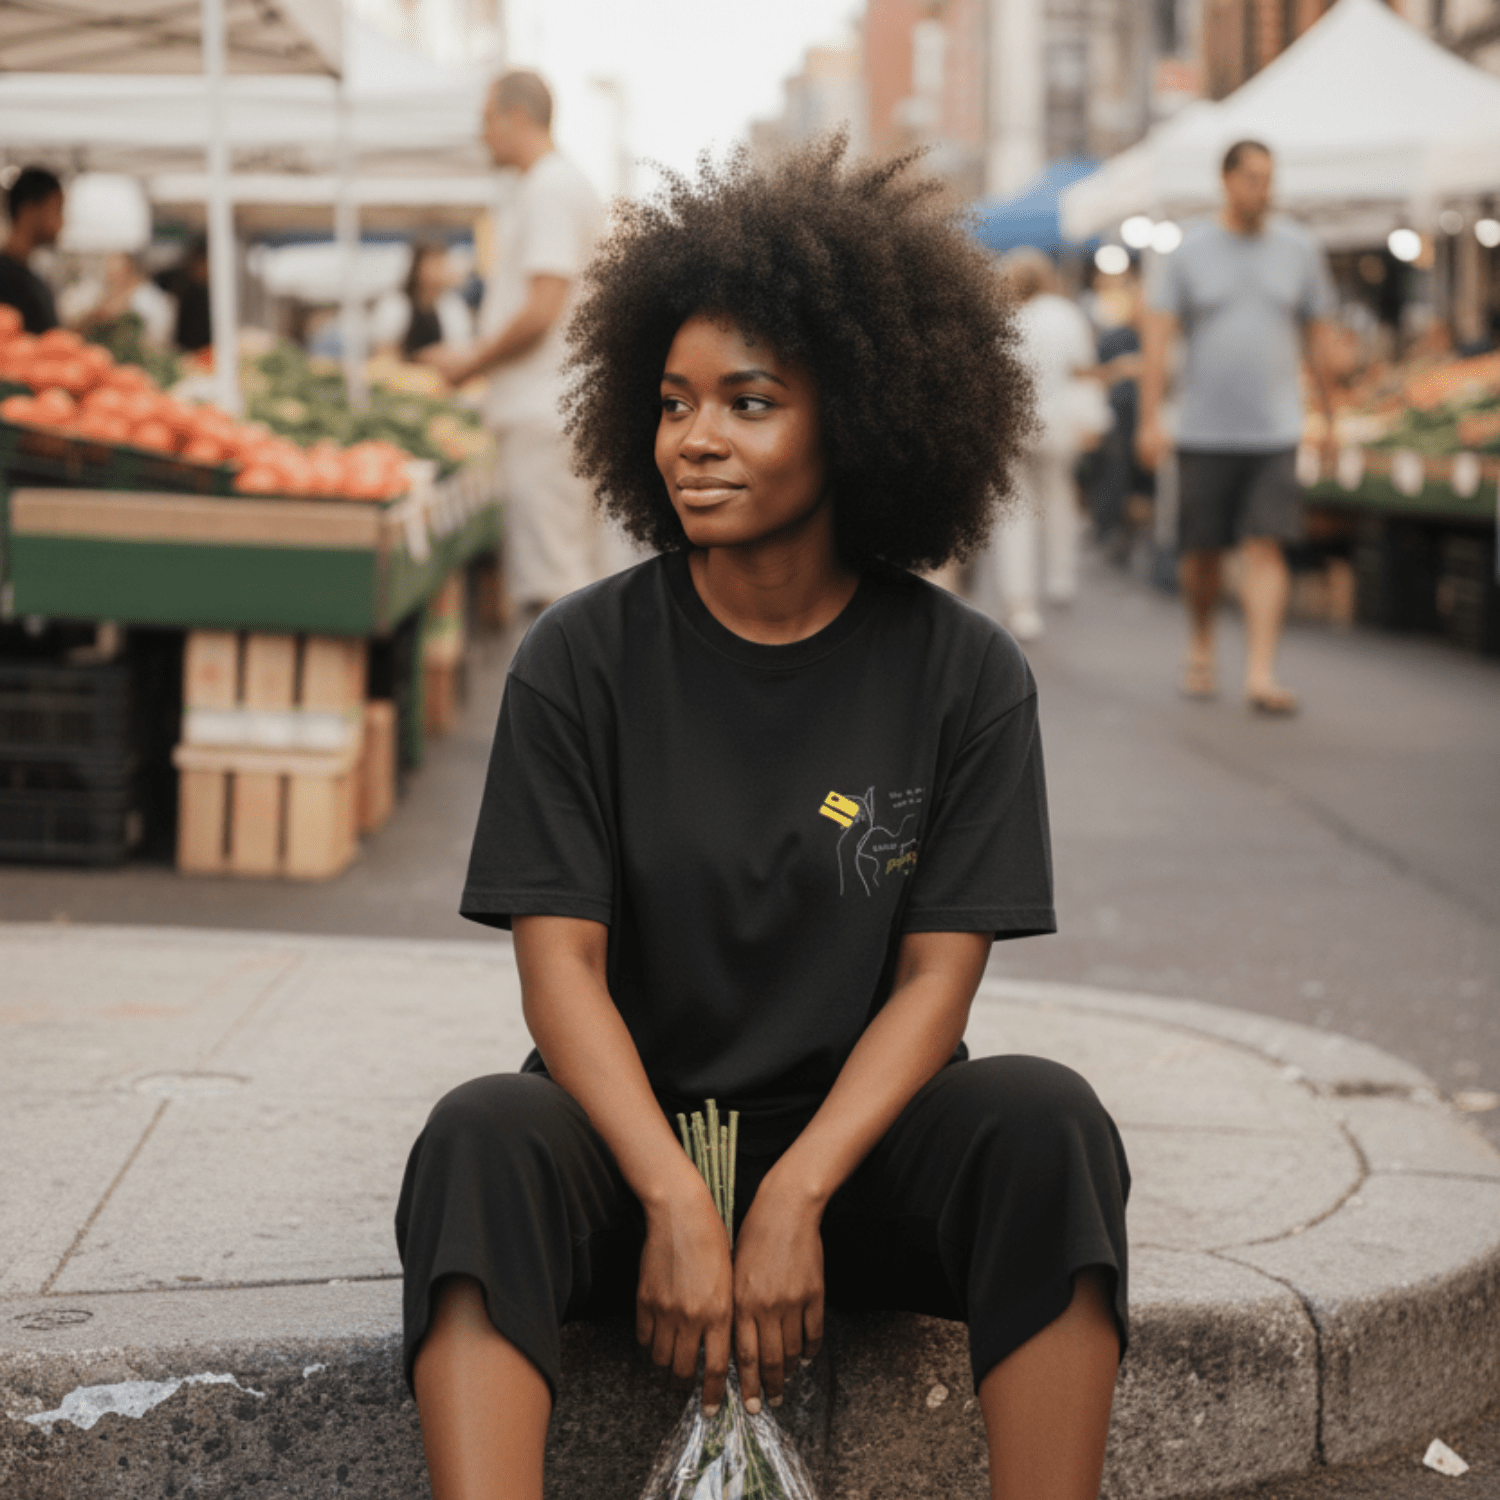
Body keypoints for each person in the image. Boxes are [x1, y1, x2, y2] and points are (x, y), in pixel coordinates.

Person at [395, 137, 1129, 1500]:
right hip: (626, 1164)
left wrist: (793, 1199)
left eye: (748, 401)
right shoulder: (580, 658)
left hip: (863, 1165)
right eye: (674, 403)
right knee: (477, 1137)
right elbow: (558, 971)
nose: (697, 439)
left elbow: (936, 980)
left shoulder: (964, 672)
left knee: (1049, 1123)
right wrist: (678, 1197)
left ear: (857, 413)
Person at [1137, 140, 1338, 714]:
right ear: (1226, 181)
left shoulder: (1300, 249)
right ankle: (1201, 643)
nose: (1263, 190)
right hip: (1202, 431)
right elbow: (1158, 340)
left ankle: (1260, 671)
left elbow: (1319, 338)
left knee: (1266, 547)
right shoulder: (1189, 252)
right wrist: (1150, 419)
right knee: (1202, 553)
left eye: (1270, 178)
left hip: (1275, 429)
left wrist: (1330, 418)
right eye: (1252, 178)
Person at [425, 70, 605, 614]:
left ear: (517, 117)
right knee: (569, 580)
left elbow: (542, 307)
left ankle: (565, 701)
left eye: (487, 121)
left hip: (541, 414)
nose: (482, 135)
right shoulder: (555, 184)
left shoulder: (549, 187)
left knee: (555, 590)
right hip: (552, 411)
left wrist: (470, 363)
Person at [982, 249, 1105, 641]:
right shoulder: (1066, 315)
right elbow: (1084, 370)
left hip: (1012, 428)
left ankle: (1021, 603)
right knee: (1058, 498)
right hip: (1058, 425)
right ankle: (1060, 576)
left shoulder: (1001, 319)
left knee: (1014, 512)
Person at [370, 240, 474, 360]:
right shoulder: (396, 304)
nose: (440, 272)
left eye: (441, 265)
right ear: (417, 269)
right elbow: (383, 351)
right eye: (434, 265)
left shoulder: (452, 306)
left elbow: (461, 350)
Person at [0, 167, 64, 334]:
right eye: (57, 209)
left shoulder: (30, 276)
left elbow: (47, 340)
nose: (63, 221)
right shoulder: (6, 277)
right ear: (29, 210)